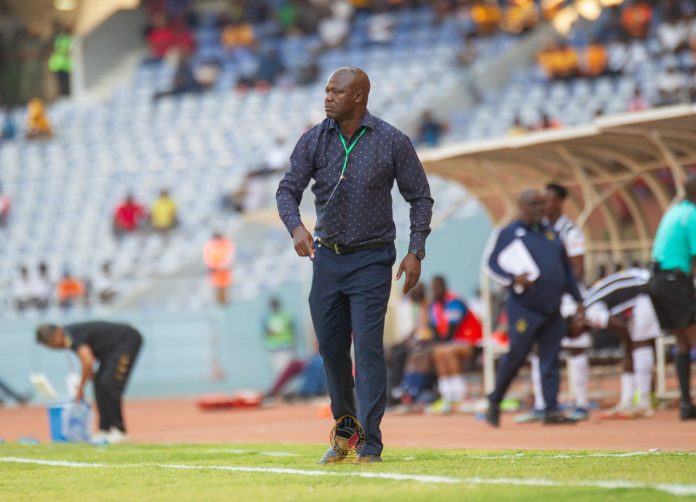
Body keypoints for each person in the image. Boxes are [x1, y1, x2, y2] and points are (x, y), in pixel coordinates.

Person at [276, 66, 433, 464]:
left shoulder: (392, 140)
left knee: (367, 349)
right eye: (326, 90)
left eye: (337, 92)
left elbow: (420, 197)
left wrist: (415, 250)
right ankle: (346, 432)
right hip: (326, 259)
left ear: (359, 96)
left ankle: (370, 444)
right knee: (331, 351)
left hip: (372, 260)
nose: (327, 98)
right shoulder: (313, 140)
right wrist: (296, 228)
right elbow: (286, 190)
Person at [485, 189, 583, 427]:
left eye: (542, 204)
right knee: (517, 356)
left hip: (553, 308)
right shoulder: (510, 233)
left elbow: (566, 270)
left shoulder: (551, 232)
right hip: (525, 308)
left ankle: (551, 409)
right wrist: (513, 279)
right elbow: (492, 265)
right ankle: (495, 400)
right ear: (522, 207)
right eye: (534, 204)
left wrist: (578, 300)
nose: (541, 208)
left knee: (551, 358)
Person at [519, 183, 590, 423]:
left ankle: (581, 403)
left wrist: (563, 291)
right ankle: (542, 405)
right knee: (539, 348)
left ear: (559, 202)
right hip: (544, 298)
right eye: (539, 201)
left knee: (575, 345)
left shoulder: (570, 231)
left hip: (567, 298)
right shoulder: (539, 229)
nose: (542, 205)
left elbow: (577, 269)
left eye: (547, 200)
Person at [35, 322, 143, 443]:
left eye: (52, 343)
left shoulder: (70, 336)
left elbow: (87, 361)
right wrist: (94, 380)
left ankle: (119, 430)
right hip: (110, 351)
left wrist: (80, 388)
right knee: (100, 383)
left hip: (126, 341)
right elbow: (89, 364)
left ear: (57, 334)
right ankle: (105, 429)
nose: (55, 347)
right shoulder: (70, 336)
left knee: (109, 384)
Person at [582, 268, 660, 419]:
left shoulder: (589, 312)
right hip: (644, 285)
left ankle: (643, 403)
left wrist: (629, 346)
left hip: (645, 290)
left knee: (640, 345)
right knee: (632, 347)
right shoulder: (586, 300)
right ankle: (627, 401)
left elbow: (621, 327)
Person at [649, 174, 696, 420]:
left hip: (658, 281)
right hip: (675, 281)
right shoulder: (692, 215)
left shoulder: (674, 211)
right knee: (692, 338)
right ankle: (686, 404)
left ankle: (686, 404)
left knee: (683, 342)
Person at [428, 276, 482, 414]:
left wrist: (441, 345)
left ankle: (459, 394)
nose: (435, 291)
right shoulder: (434, 306)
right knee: (438, 352)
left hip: (471, 341)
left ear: (444, 287)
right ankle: (447, 394)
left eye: (437, 287)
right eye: (433, 288)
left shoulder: (454, 302)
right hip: (451, 343)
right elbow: (436, 333)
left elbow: (451, 331)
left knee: (447, 351)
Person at [263, 297, 296, 377]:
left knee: (285, 372)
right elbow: (265, 332)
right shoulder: (267, 317)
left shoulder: (287, 316)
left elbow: (292, 330)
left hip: (285, 348)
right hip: (273, 349)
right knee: (277, 372)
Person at [203, 232, 234, 305]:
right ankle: (219, 302)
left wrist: (222, 265)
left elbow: (229, 255)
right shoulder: (210, 244)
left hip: (224, 270)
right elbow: (207, 256)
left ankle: (224, 301)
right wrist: (211, 265)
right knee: (217, 286)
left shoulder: (226, 243)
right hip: (215, 270)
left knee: (224, 286)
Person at [48, 23, 72, 97]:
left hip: (62, 64)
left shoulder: (60, 39)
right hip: (62, 64)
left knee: (63, 82)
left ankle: (64, 95)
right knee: (63, 82)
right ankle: (64, 95)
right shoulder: (63, 39)